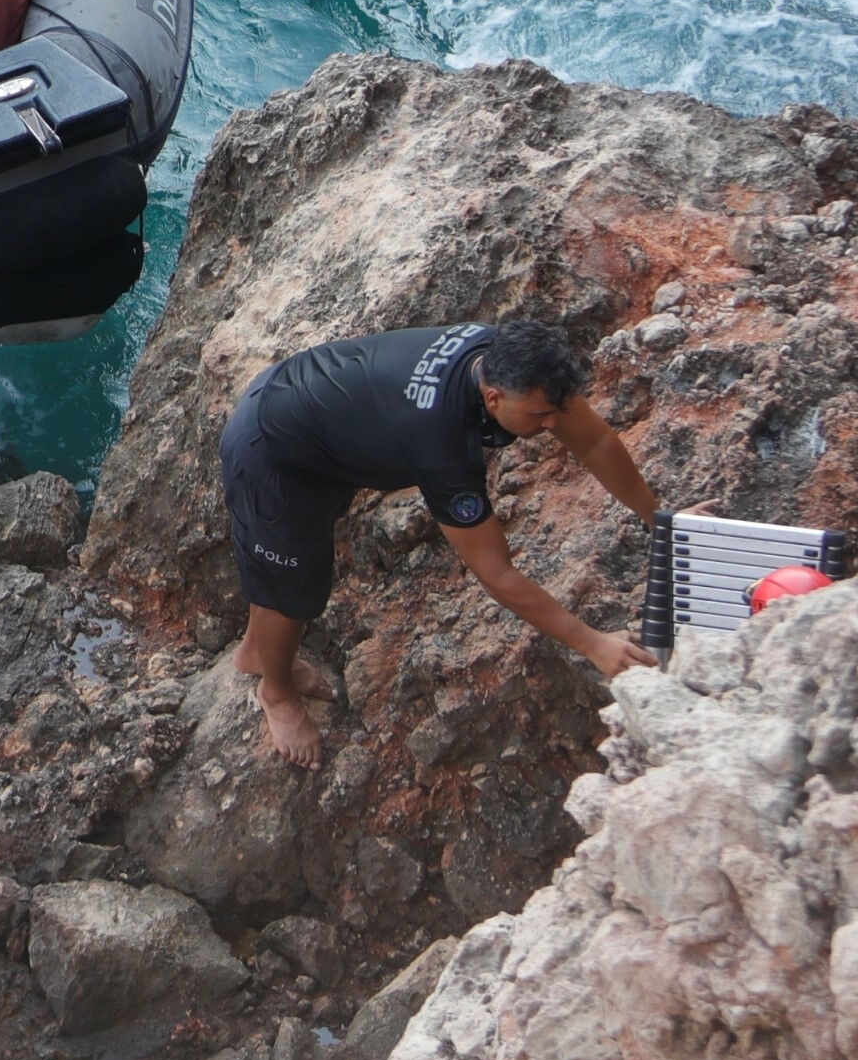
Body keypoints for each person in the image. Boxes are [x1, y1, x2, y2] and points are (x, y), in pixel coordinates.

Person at [222, 322, 659, 769]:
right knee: (295, 588)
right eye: (540, 417)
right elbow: (497, 574)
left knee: (299, 563)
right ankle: (275, 690)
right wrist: (592, 644)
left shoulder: (510, 359)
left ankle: (260, 651)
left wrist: (660, 523)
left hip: (319, 419)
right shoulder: (440, 440)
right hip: (270, 451)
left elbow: (597, 441)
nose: (552, 425)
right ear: (494, 399)